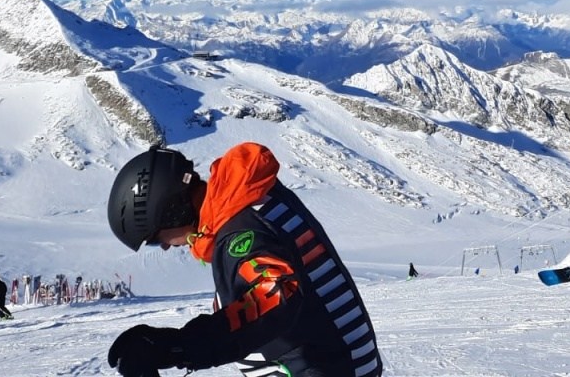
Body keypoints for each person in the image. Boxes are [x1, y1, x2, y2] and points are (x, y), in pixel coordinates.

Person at [106, 142, 382, 377]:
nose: (166, 247)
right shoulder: (251, 203)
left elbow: (276, 294)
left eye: (157, 238)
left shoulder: (241, 232)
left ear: (171, 212)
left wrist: (179, 346)